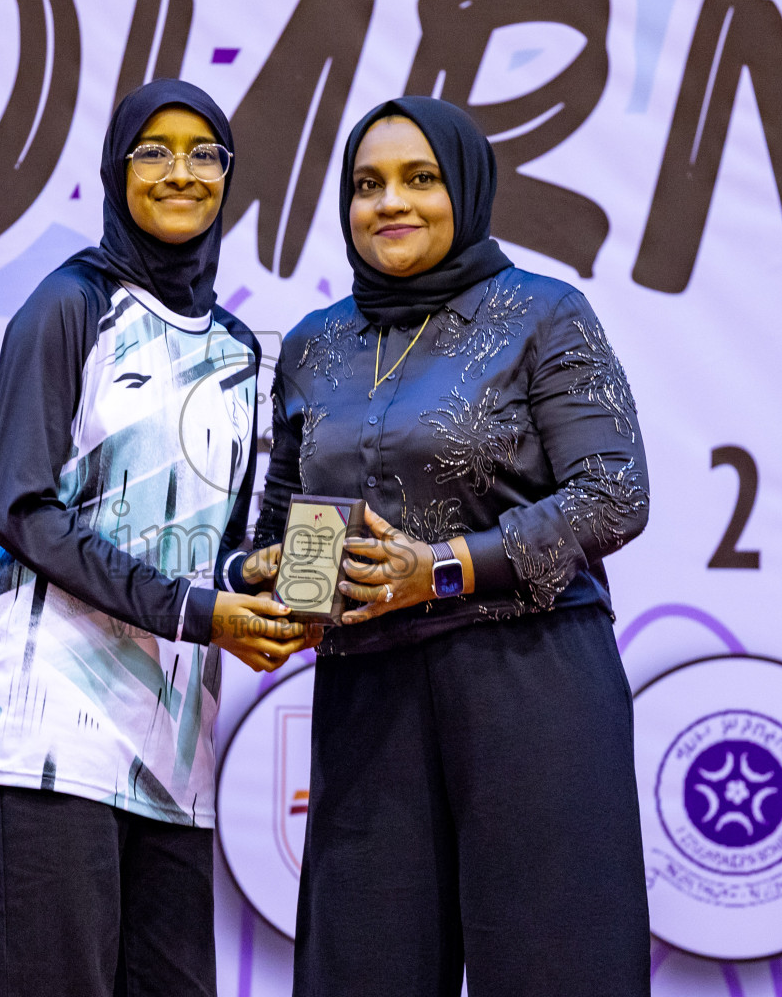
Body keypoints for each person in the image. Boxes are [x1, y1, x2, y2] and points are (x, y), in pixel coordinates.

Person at [252, 96, 652, 995]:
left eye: (419, 179)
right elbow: (278, 517)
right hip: (369, 695)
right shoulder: (316, 346)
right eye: (367, 185)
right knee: (363, 969)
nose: (390, 203)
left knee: (554, 966)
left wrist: (442, 567)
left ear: (465, 191)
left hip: (529, 682)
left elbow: (615, 496)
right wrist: (270, 575)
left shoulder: (542, 315)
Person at [0, 79, 310, 997]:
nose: (181, 172)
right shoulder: (69, 304)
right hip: (45, 739)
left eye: (204, 153)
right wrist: (197, 607)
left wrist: (255, 579)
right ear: (117, 172)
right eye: (155, 151)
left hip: (173, 755)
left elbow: (206, 552)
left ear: (229, 175)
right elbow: (22, 510)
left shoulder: (238, 349)